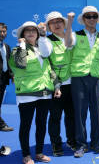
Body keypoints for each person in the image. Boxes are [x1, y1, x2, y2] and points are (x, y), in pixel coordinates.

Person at [9, 21, 59, 164]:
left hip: (44, 93)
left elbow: (50, 69)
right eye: (27, 31)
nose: (31, 32)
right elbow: (21, 63)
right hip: (26, 95)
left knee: (42, 124)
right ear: (23, 34)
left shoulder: (43, 49)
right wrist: (22, 45)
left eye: (34, 30)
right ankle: (26, 155)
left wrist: (56, 86)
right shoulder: (17, 49)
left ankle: (39, 153)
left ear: (38, 34)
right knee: (26, 125)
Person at [65, 6, 99, 157]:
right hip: (79, 78)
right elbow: (67, 43)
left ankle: (95, 143)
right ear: (83, 20)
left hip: (95, 78)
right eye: (88, 16)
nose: (92, 19)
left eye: (94, 16)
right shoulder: (76, 34)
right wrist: (69, 21)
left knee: (96, 113)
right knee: (80, 113)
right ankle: (81, 145)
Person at [38, 12, 76, 156]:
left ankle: (72, 140)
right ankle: (56, 144)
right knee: (55, 117)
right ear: (49, 26)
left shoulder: (70, 36)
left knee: (71, 115)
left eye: (59, 21)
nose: (57, 24)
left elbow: (70, 44)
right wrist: (42, 35)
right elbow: (46, 53)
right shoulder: (46, 40)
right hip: (56, 86)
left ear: (64, 23)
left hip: (73, 84)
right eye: (53, 22)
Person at [0, 22, 14, 132]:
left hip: (3, 80)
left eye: (4, 31)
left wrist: (12, 76)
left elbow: (8, 64)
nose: (2, 33)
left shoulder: (7, 47)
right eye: (0, 31)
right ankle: (1, 124)